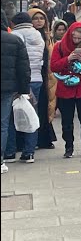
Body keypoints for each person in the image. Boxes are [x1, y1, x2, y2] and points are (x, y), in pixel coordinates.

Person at [51, 21, 81, 158]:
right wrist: (68, 59)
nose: (76, 41)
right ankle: (68, 146)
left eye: (79, 39)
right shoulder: (59, 47)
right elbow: (53, 66)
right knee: (67, 121)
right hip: (66, 89)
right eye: (74, 38)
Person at [8, 12, 47, 162]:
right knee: (31, 114)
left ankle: (10, 151)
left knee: (10, 116)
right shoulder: (38, 35)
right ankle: (29, 152)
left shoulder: (15, 35)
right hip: (36, 79)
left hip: (18, 81)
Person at [1, 12, 32, 170]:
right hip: (6, 89)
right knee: (3, 124)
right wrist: (24, 90)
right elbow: (23, 68)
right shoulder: (14, 40)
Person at [27, 8, 59, 150]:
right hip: (33, 76)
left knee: (45, 106)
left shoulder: (48, 37)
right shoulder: (27, 36)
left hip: (46, 77)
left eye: (41, 18)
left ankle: (44, 138)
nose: (39, 21)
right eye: (35, 18)